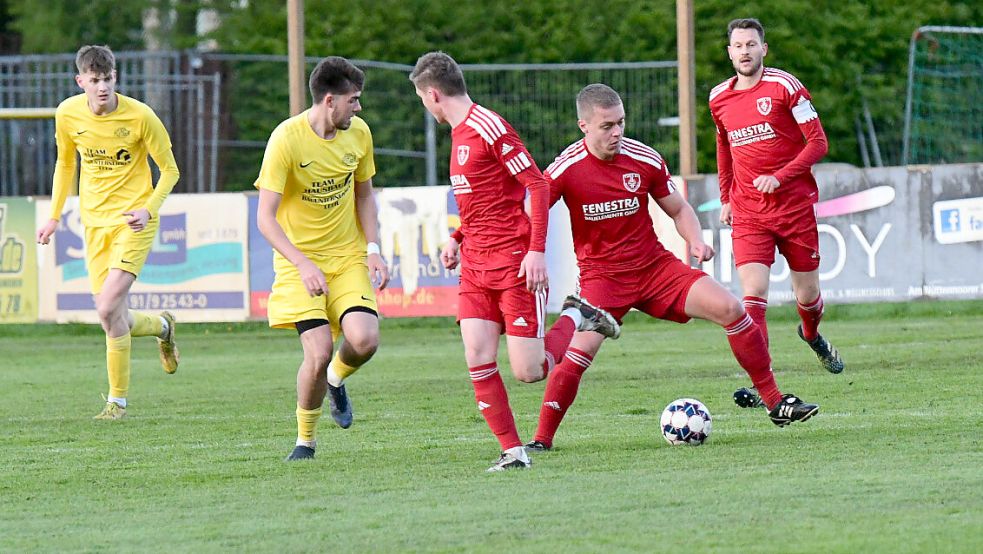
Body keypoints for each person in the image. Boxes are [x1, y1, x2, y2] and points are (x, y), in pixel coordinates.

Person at [526, 84, 819, 452]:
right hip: (602, 282)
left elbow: (679, 209)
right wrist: (525, 252)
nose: (617, 132)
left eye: (621, 123)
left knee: (733, 309)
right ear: (583, 126)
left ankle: (775, 402)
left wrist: (694, 241)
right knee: (577, 357)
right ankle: (541, 440)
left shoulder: (643, 157)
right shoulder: (565, 169)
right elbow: (530, 212)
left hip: (656, 270)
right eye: (607, 126)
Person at [409, 52, 620, 472]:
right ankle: (513, 451)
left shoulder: (489, 127)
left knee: (529, 371)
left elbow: (537, 186)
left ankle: (578, 317)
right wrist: (457, 238)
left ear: (432, 93)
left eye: (422, 99)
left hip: (512, 264)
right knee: (477, 355)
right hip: (474, 266)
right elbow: (486, 202)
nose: (424, 106)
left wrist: (536, 250)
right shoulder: (457, 133)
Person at [255, 56, 390, 461]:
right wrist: (302, 263)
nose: (359, 108)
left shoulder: (359, 134)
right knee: (316, 353)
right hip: (300, 261)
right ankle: (305, 441)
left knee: (365, 340)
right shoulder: (286, 139)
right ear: (330, 101)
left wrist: (373, 249)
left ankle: (337, 379)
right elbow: (264, 218)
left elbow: (365, 195)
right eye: (354, 100)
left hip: (346, 255)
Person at [36, 45, 180, 420]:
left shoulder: (140, 116)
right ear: (80, 81)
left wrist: (148, 209)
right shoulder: (67, 113)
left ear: (116, 77)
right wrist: (54, 216)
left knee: (105, 305)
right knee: (111, 316)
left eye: (108, 79)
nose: (102, 87)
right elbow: (65, 163)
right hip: (93, 224)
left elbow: (170, 171)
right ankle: (163, 326)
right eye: (94, 80)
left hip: (134, 221)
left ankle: (117, 402)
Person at [709, 18, 843, 412]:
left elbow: (819, 142)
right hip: (750, 212)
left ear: (764, 49)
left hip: (795, 208)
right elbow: (723, 147)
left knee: (808, 295)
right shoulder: (718, 97)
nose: (745, 51)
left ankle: (811, 334)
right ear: (729, 51)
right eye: (738, 45)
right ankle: (765, 386)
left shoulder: (785, 87)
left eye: (752, 44)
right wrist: (726, 198)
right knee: (753, 295)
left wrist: (780, 177)